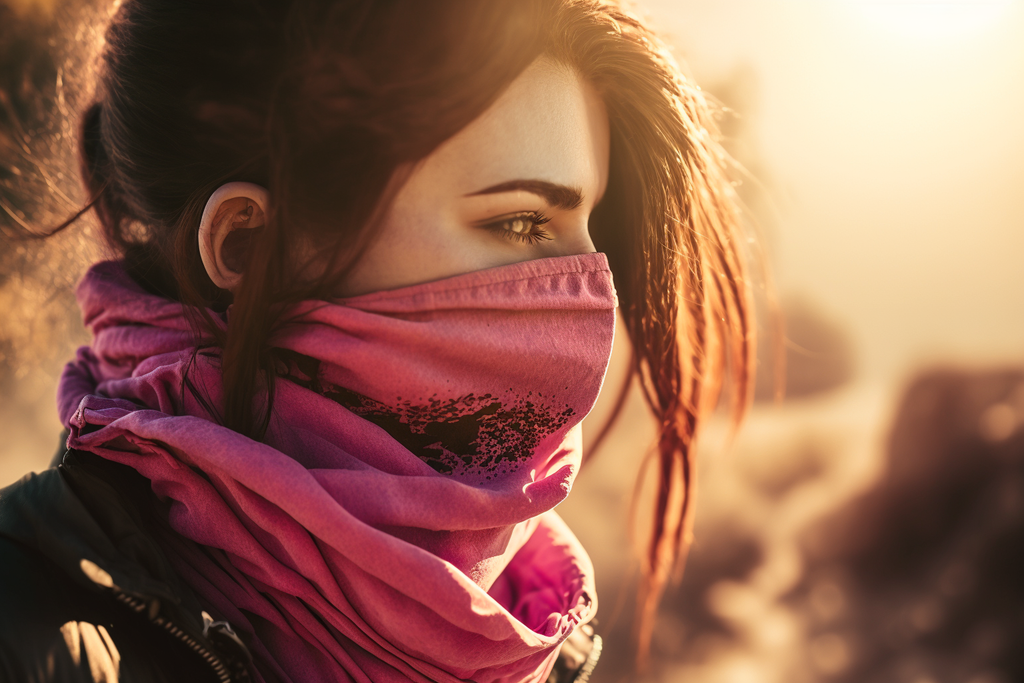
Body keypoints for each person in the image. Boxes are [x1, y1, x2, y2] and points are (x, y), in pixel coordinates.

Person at [0, 0, 753, 681]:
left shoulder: (533, 629)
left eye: (593, 233)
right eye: (519, 222)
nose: (586, 288)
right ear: (250, 246)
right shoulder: (27, 637)